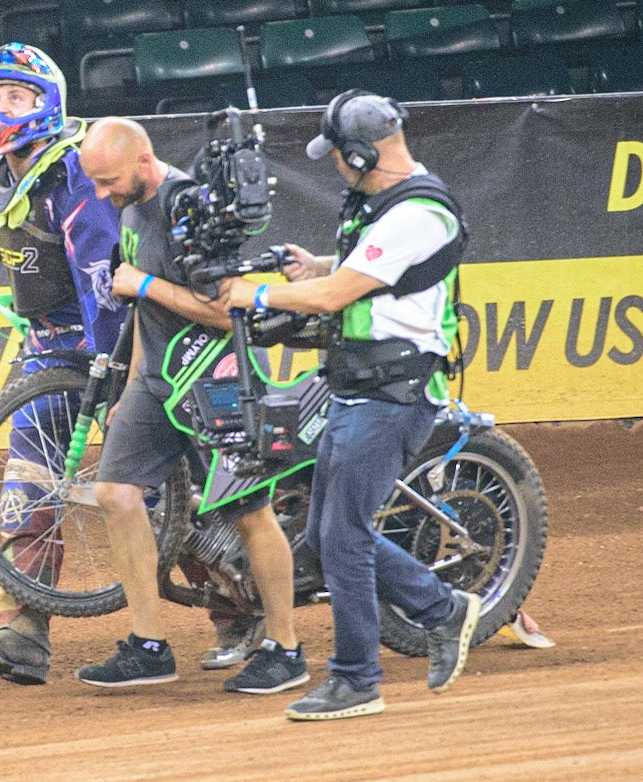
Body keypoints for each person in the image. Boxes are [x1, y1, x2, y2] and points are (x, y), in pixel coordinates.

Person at [223, 89, 482, 720]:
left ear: (363, 154)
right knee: (326, 534)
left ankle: (357, 679)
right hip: (361, 386)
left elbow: (336, 296)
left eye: (339, 155)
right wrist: (316, 264)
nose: (335, 165)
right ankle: (442, 610)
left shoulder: (418, 213)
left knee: (343, 537)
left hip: (393, 395)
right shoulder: (388, 205)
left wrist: (255, 295)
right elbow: (364, 273)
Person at [72, 116, 308, 695]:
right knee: (115, 493)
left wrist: (144, 285)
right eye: (94, 182)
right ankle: (148, 645)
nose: (100, 194)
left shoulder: (189, 210)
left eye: (108, 181)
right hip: (158, 381)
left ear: (143, 161)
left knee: (249, 512)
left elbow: (228, 312)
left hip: (218, 377)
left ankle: (287, 649)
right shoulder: (130, 204)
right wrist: (132, 385)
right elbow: (144, 312)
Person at [0, 43, 126, 685]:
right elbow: (9, 221)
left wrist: (111, 367)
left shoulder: (73, 173)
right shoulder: (8, 171)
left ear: (46, 104)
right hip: (48, 347)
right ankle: (22, 631)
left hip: (112, 341)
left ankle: (234, 608)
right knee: (27, 481)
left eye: (14, 97)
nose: (0, 109)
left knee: (156, 482)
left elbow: (100, 277)